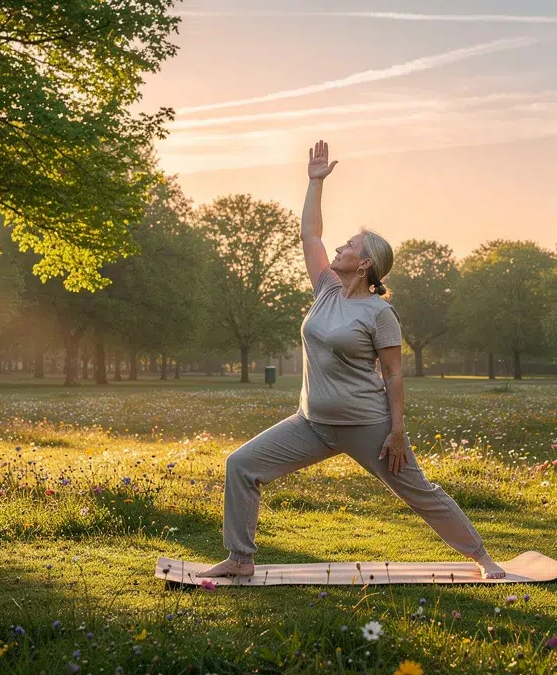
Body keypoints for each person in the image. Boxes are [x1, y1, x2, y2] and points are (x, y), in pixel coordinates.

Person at [197, 140, 506, 580]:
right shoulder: (325, 289)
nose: (339, 247)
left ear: (364, 265)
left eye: (350, 246)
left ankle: (482, 558)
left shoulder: (379, 313)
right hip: (312, 423)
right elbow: (311, 234)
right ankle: (241, 559)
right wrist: (314, 182)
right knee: (241, 465)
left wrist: (397, 432)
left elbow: (394, 374)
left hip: (367, 426)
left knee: (419, 493)